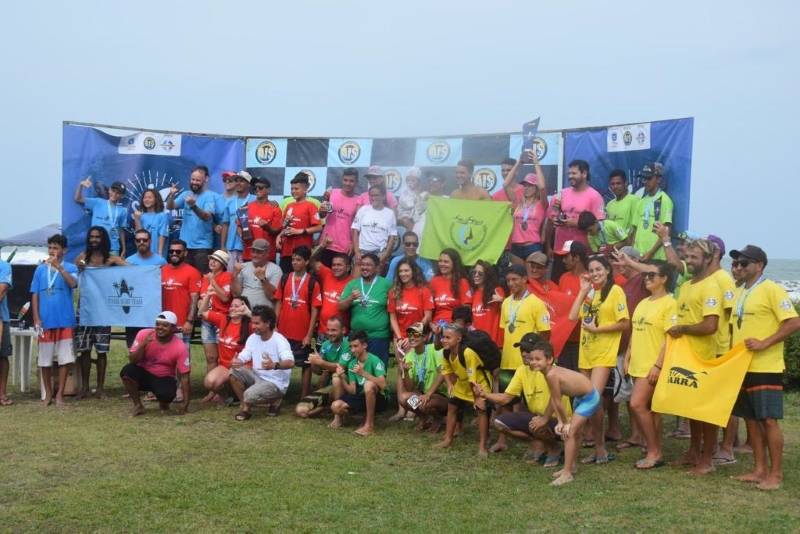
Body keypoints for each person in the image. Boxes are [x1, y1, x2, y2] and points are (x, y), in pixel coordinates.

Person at [728, 245, 800, 490]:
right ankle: (759, 470)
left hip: (765, 365)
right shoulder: (739, 292)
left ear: (759, 265)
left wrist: (764, 342)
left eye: (744, 263)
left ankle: (776, 474)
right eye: (736, 263)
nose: (738, 267)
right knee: (750, 418)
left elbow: (793, 322)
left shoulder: (772, 289)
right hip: (741, 366)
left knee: (768, 420)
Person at [666, 238, 724, 475]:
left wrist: (683, 329)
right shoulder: (687, 285)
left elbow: (711, 325)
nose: (689, 261)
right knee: (691, 410)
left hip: (704, 357)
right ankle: (693, 452)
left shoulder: (711, 286)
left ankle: (708, 458)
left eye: (694, 258)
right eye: (687, 257)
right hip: (685, 355)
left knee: (705, 411)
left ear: (708, 259)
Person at [567, 254, 629, 464]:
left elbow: (624, 323)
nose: (595, 274)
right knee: (591, 400)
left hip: (604, 353)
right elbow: (573, 316)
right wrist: (583, 289)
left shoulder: (616, 291)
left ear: (608, 270)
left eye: (598, 269)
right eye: (591, 270)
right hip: (586, 352)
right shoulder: (590, 292)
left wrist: (598, 329)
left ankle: (599, 448)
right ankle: (598, 448)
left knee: (593, 397)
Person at [474, 333, 570, 468]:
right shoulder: (521, 370)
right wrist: (484, 394)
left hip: (560, 421)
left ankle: (555, 448)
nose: (524, 354)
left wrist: (545, 418)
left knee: (539, 424)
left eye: (528, 350)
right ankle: (539, 445)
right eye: (522, 350)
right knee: (500, 423)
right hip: (537, 417)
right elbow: (506, 398)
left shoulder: (551, 369)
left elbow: (556, 398)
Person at [623, 260, 676, 468]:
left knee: (637, 404)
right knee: (652, 410)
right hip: (638, 362)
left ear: (664, 279)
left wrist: (658, 366)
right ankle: (655, 448)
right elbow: (635, 332)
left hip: (653, 364)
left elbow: (670, 339)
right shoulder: (643, 303)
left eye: (652, 275)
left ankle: (654, 451)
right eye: (646, 275)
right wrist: (627, 357)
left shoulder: (670, 304)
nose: (647, 278)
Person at [494, 264, 551, 453]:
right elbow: (505, 332)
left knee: (530, 404)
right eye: (509, 280)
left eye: (515, 279)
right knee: (505, 402)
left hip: (529, 365)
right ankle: (503, 439)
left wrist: (535, 358)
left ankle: (538, 441)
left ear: (524, 279)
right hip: (508, 362)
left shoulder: (535, 302)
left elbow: (546, 333)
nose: (511, 283)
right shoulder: (506, 303)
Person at [529, 340, 601, 486]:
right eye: (531, 359)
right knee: (576, 433)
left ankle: (567, 473)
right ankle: (571, 466)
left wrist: (566, 423)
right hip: (581, 397)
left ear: (549, 359)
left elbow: (558, 401)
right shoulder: (547, 372)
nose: (533, 362)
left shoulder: (551, 375)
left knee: (570, 433)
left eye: (538, 359)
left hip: (590, 398)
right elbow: (556, 399)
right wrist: (562, 421)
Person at [74, 226, 127, 401]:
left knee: (102, 350)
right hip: (85, 310)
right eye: (92, 237)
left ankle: (100, 389)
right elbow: (74, 280)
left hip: (104, 310)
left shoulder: (111, 260)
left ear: (103, 240)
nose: (94, 240)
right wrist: (79, 271)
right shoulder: (81, 258)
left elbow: (133, 271)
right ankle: (84, 388)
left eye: (98, 237)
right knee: (84, 349)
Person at [30, 234, 78, 407]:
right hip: (45, 321)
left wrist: (59, 267)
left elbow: (73, 284)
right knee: (44, 359)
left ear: (64, 250)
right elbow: (34, 293)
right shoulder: (40, 269)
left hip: (64, 320)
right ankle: (48, 393)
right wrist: (36, 317)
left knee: (65, 358)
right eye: (50, 247)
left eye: (55, 248)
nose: (51, 251)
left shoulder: (71, 267)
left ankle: (60, 394)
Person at [433, 323, 492, 457]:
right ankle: (448, 439)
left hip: (478, 384)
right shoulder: (446, 351)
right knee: (452, 406)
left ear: (458, 339)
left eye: (448, 337)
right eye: (443, 337)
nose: (444, 340)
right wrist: (449, 384)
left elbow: (473, 379)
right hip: (462, 383)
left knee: (481, 411)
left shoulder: (467, 353)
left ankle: (482, 446)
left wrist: (477, 398)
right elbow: (446, 370)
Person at [388, 258, 434, 421]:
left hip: (416, 337)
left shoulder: (424, 290)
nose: (403, 274)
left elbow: (427, 316)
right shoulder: (394, 291)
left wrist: (412, 334)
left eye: (406, 271)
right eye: (400, 271)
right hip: (399, 338)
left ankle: (413, 409)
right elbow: (392, 317)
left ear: (413, 271)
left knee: (416, 372)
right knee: (402, 371)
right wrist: (400, 337)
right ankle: (402, 408)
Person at [229, 305, 295, 420]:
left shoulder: (279, 340)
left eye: (257, 323)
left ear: (268, 323)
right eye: (252, 323)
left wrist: (274, 365)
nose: (253, 326)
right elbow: (245, 354)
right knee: (234, 372)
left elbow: (290, 363)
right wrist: (238, 361)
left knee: (249, 395)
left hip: (275, 383)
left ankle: (276, 398)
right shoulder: (253, 338)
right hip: (257, 376)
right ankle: (245, 408)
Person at [120, 311, 191, 417]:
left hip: (164, 377)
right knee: (127, 371)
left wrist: (186, 402)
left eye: (164, 325)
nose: (160, 328)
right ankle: (138, 405)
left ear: (173, 328)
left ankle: (163, 403)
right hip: (144, 374)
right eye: (157, 324)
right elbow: (133, 361)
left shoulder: (180, 347)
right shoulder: (144, 334)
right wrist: (143, 345)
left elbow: (185, 376)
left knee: (167, 395)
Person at [544, 159, 605, 281]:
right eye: (569, 174)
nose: (570, 176)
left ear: (584, 174)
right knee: (559, 285)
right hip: (561, 252)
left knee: (583, 288)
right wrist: (548, 247)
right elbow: (551, 220)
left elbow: (599, 227)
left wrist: (576, 224)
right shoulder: (561, 194)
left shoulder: (594, 196)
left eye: (574, 173)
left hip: (584, 253)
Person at [274, 245, 322, 399]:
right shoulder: (285, 278)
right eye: (293, 259)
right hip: (283, 330)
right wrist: (274, 325)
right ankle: (276, 394)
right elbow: (279, 303)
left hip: (301, 332)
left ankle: (303, 395)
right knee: (280, 363)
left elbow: (315, 310)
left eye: (299, 260)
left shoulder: (312, 282)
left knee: (305, 364)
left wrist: (309, 334)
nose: (295, 262)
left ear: (307, 261)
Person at [328, 329, 389, 436]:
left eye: (355, 346)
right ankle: (360, 416)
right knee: (336, 406)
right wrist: (342, 377)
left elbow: (383, 384)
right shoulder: (352, 363)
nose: (352, 350)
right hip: (362, 397)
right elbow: (352, 391)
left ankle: (369, 425)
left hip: (380, 398)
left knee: (368, 384)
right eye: (351, 346)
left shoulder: (375, 360)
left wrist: (364, 373)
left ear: (364, 345)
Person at [338, 253, 392, 366]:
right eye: (362, 264)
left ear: (377, 267)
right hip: (356, 337)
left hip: (378, 336)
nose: (364, 267)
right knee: (354, 370)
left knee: (376, 371)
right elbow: (340, 306)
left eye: (368, 265)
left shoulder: (386, 284)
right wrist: (350, 298)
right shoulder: (352, 284)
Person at [295, 316, 353, 419]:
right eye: (328, 330)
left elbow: (341, 367)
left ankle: (337, 415)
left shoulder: (349, 344)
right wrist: (313, 363)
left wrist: (321, 362)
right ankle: (328, 408)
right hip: (331, 387)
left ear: (343, 330)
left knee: (337, 376)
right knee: (301, 410)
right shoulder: (326, 344)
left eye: (334, 330)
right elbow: (318, 371)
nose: (330, 333)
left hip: (348, 387)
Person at [397, 322, 448, 432]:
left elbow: (443, 373)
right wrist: (405, 373)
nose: (411, 338)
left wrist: (429, 394)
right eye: (409, 334)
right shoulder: (409, 356)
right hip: (424, 395)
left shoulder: (434, 349)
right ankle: (423, 417)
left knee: (424, 405)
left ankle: (438, 418)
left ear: (425, 337)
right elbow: (410, 388)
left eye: (415, 334)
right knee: (403, 398)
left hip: (441, 394)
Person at [199, 294, 252, 401]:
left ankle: (246, 401)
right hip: (225, 365)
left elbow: (271, 329)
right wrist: (208, 295)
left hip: (245, 365)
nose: (232, 308)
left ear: (245, 307)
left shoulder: (251, 325)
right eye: (231, 306)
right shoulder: (223, 319)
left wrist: (249, 313)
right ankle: (224, 396)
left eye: (237, 306)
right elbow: (203, 311)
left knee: (238, 374)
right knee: (209, 383)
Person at [167, 165, 218, 274]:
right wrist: (171, 195)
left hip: (202, 248)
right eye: (192, 179)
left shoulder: (210, 196)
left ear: (206, 179)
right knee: (184, 278)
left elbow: (206, 217)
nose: (194, 182)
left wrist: (193, 206)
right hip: (184, 246)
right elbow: (171, 207)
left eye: (198, 180)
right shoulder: (186, 194)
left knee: (202, 278)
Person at [199, 249, 233, 403]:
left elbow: (225, 298)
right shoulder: (205, 277)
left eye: (216, 260)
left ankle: (220, 389)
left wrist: (213, 281)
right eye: (211, 259)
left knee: (222, 357)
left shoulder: (227, 277)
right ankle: (211, 391)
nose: (212, 262)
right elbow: (202, 298)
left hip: (221, 319)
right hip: (207, 320)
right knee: (211, 357)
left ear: (223, 264)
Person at [503, 151, 548, 265]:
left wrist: (536, 163)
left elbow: (542, 187)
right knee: (519, 280)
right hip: (515, 247)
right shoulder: (518, 202)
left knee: (531, 280)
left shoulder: (541, 204)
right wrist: (519, 162)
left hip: (532, 246)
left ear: (536, 187)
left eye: (530, 185)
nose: (527, 188)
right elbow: (505, 185)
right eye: (525, 185)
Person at [277, 172, 323, 273]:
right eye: (292, 189)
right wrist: (279, 236)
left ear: (305, 189)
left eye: (296, 189)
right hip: (286, 252)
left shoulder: (310, 206)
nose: (293, 191)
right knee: (285, 281)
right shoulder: (289, 206)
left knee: (301, 282)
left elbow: (319, 228)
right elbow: (284, 227)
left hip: (302, 253)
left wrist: (298, 231)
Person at [160, 239, 201, 350]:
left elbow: (195, 298)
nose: (174, 254)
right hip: (162, 323)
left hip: (182, 324)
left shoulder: (192, 272)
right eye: (171, 251)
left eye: (178, 251)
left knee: (182, 360)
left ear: (185, 253)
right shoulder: (161, 270)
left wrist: (190, 321)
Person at [630, 162, 674, 261]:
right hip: (638, 256)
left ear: (658, 179)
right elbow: (635, 230)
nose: (645, 181)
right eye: (644, 178)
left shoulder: (665, 200)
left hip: (656, 257)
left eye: (649, 178)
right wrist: (632, 251)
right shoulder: (640, 201)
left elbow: (667, 231)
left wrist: (650, 252)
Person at [556, 240, 588, 372]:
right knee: (565, 380)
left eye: (566, 257)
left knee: (581, 380)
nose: (563, 260)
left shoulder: (590, 279)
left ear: (576, 258)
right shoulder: (563, 277)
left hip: (582, 340)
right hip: (564, 339)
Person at [74, 177, 127, 256]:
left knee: (112, 269)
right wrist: (81, 185)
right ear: (109, 190)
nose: (115, 194)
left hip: (113, 248)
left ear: (122, 196)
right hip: (96, 246)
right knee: (94, 268)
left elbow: (121, 230)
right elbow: (78, 199)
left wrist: (124, 248)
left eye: (118, 193)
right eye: (113, 191)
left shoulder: (122, 210)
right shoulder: (98, 202)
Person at [352, 183, 397, 275]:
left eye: (376, 195)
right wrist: (357, 252)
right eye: (371, 195)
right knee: (355, 283)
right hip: (362, 251)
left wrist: (385, 255)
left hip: (379, 253)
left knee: (374, 284)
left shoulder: (389, 213)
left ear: (384, 196)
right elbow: (355, 231)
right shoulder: (363, 210)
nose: (373, 198)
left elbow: (392, 236)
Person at [319, 168, 361, 266]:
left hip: (345, 248)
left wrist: (354, 245)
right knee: (324, 278)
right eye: (345, 180)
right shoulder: (331, 192)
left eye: (351, 181)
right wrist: (321, 211)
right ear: (342, 180)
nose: (348, 183)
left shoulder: (358, 201)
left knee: (341, 280)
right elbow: (322, 215)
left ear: (357, 182)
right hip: (326, 244)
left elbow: (358, 227)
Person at [311, 239, 354, 336]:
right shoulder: (327, 274)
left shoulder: (353, 283)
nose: (335, 267)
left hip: (341, 333)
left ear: (347, 268)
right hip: (323, 330)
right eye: (333, 265)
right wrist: (322, 246)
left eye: (339, 265)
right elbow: (312, 260)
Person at [429, 248, 471, 340]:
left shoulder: (462, 282)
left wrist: (452, 328)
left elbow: (466, 311)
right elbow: (427, 310)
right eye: (440, 261)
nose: (442, 264)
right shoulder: (433, 282)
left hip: (454, 330)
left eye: (446, 262)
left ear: (454, 264)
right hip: (436, 329)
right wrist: (432, 326)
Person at [241, 175, 283, 264]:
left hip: (267, 255)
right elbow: (239, 225)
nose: (257, 190)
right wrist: (240, 234)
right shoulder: (246, 207)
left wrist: (267, 227)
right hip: (249, 254)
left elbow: (278, 231)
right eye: (255, 188)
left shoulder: (275, 208)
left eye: (260, 187)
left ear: (268, 190)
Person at [231, 239, 282, 308]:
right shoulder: (242, 267)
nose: (254, 255)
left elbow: (272, 296)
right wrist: (234, 276)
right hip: (243, 312)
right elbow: (236, 295)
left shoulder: (275, 269)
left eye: (259, 252)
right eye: (253, 251)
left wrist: (263, 279)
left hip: (264, 314)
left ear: (267, 253)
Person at [220, 170, 255, 269]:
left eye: (242, 181)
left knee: (247, 279)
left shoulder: (254, 200)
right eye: (236, 181)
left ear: (248, 184)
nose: (238, 183)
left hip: (248, 247)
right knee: (231, 278)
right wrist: (223, 246)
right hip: (231, 246)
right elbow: (225, 224)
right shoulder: (229, 202)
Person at [469, 260, 505, 347]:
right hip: (478, 343)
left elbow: (506, 312)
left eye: (480, 273)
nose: (476, 275)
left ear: (487, 276)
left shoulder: (496, 291)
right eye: (474, 272)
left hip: (493, 343)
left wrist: (502, 301)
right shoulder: (474, 293)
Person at [133, 188, 169, 259]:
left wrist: (160, 253)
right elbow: (139, 235)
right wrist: (137, 219)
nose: (147, 200)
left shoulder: (162, 215)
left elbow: (162, 235)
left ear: (156, 199)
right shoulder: (141, 216)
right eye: (145, 197)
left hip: (157, 253)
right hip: (144, 253)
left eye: (149, 197)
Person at [396, 167, 429, 237]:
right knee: (409, 232)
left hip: (418, 222)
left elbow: (421, 207)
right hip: (405, 217)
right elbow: (407, 204)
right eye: (408, 180)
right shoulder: (405, 193)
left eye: (413, 180)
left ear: (419, 181)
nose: (410, 182)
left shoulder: (424, 194)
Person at [604, 170, 637, 236]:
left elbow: (637, 226)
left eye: (618, 183)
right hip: (613, 243)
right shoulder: (609, 205)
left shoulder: (634, 200)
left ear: (625, 183)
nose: (615, 187)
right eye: (612, 184)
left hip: (628, 244)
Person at [0, 257, 10, 406]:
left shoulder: (4, 266)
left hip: (1, 318)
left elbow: (2, 290)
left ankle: (1, 393)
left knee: (2, 356)